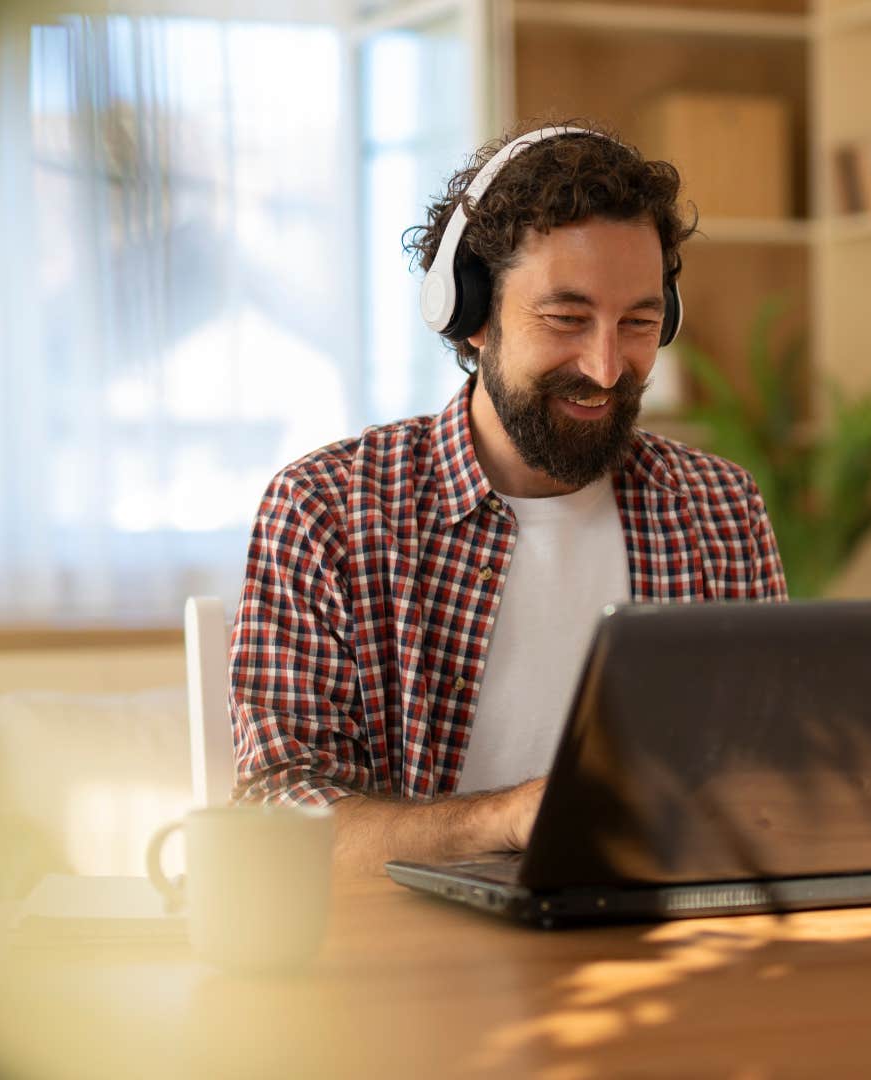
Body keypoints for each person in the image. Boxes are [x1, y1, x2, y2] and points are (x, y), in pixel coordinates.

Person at [231, 122, 788, 874]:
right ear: (472, 317)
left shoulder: (719, 509)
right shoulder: (327, 510)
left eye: (638, 322)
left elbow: (769, 776)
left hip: (665, 927)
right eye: (566, 319)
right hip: (413, 943)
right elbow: (278, 818)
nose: (605, 367)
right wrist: (510, 818)